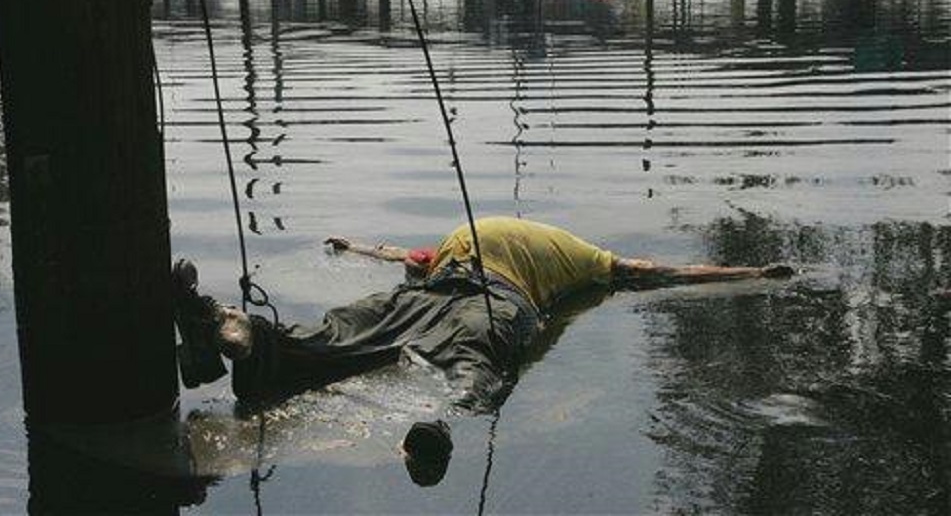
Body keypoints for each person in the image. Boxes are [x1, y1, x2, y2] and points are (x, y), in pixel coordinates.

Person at [173, 216, 793, 410]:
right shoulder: (575, 252)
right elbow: (653, 271)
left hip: (437, 286)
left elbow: (402, 256)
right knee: (471, 350)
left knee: (352, 325)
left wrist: (351, 246)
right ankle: (458, 404)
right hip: (496, 299)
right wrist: (748, 273)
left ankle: (244, 333)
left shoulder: (459, 235)